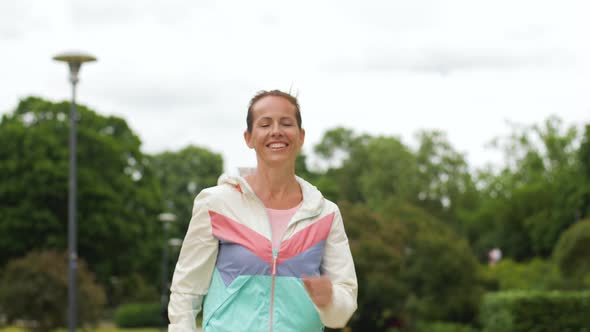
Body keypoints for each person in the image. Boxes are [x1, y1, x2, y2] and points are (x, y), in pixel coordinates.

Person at [167, 90, 358, 331]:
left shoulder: (326, 214)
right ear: (249, 137)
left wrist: (330, 300)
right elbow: (186, 291)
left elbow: (342, 310)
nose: (276, 130)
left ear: (300, 136)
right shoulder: (216, 204)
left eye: (286, 123)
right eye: (265, 124)